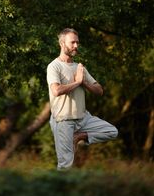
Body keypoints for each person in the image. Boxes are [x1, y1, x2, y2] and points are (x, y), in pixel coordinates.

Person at [47, 28, 118, 170]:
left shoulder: (79, 68)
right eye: (72, 42)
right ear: (62, 43)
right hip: (64, 121)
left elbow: (99, 91)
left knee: (112, 131)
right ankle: (60, 191)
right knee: (65, 165)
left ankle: (79, 136)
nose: (76, 46)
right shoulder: (54, 66)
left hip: (83, 118)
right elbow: (56, 90)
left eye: (77, 43)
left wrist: (83, 81)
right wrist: (77, 83)